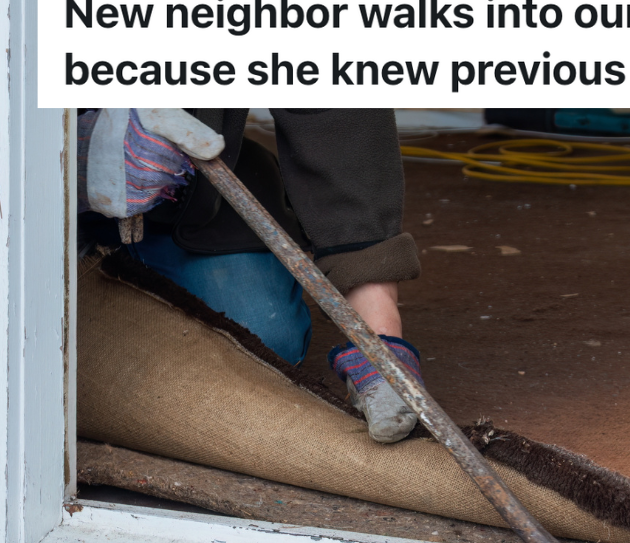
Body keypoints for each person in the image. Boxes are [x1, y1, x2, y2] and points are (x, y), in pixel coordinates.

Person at [79, 108, 424, 444]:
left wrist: (378, 335)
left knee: (259, 345)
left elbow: (334, 106)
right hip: (38, 208)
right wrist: (68, 149)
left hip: (187, 191)